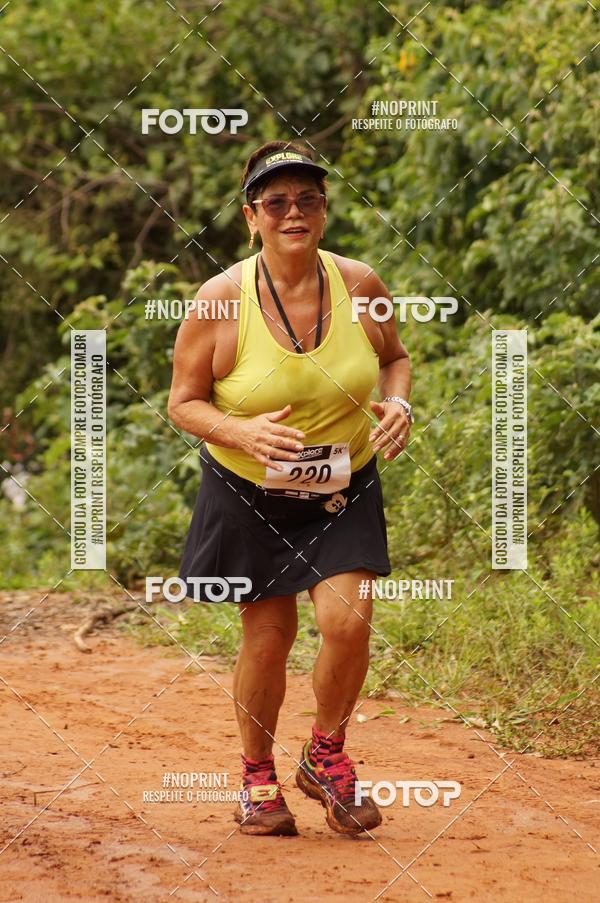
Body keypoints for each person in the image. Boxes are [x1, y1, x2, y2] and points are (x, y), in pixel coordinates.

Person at [168, 140, 412, 837]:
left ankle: (325, 755)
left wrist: (401, 406)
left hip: (343, 483)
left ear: (325, 211)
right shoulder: (219, 301)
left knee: (348, 620)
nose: (293, 211)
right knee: (269, 636)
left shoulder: (361, 284)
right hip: (250, 491)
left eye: (308, 198)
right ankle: (255, 778)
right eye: (276, 201)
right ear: (252, 217)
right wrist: (241, 433)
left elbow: (395, 360)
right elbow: (183, 402)